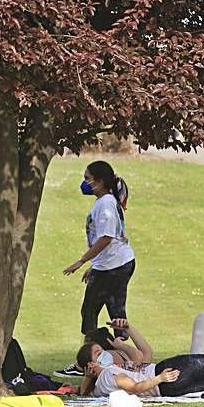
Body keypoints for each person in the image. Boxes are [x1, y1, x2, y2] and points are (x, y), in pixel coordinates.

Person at [57, 161, 135, 377]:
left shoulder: (106, 204)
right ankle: (120, 361)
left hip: (114, 267)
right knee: (115, 313)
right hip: (113, 265)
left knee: (90, 313)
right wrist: (95, 266)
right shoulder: (106, 201)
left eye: (88, 178)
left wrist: (81, 261)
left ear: (100, 182)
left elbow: (107, 238)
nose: (85, 183)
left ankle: (86, 363)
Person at [77, 321, 204, 397]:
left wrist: (127, 333)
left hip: (164, 384)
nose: (106, 354)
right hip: (162, 375)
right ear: (92, 364)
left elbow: (143, 355)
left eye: (103, 350)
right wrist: (90, 374)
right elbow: (136, 382)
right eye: (99, 353)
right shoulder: (110, 373)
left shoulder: (118, 367)